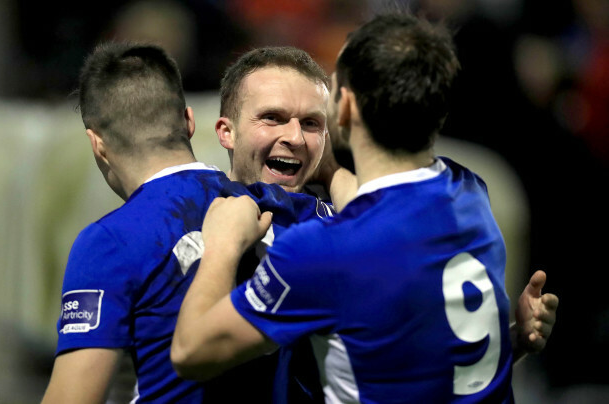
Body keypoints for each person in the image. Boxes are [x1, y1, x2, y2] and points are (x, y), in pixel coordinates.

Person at [170, 11, 558, 402]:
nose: (295, 134)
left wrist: (220, 245)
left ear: (345, 109)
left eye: (314, 115)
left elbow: (191, 352)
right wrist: (511, 342)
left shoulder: (321, 249)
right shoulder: (471, 194)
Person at [40, 41, 330, 404]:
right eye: (272, 118)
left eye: (311, 124)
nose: (294, 137)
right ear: (190, 122)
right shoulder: (288, 209)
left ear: (97, 144)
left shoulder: (109, 240)